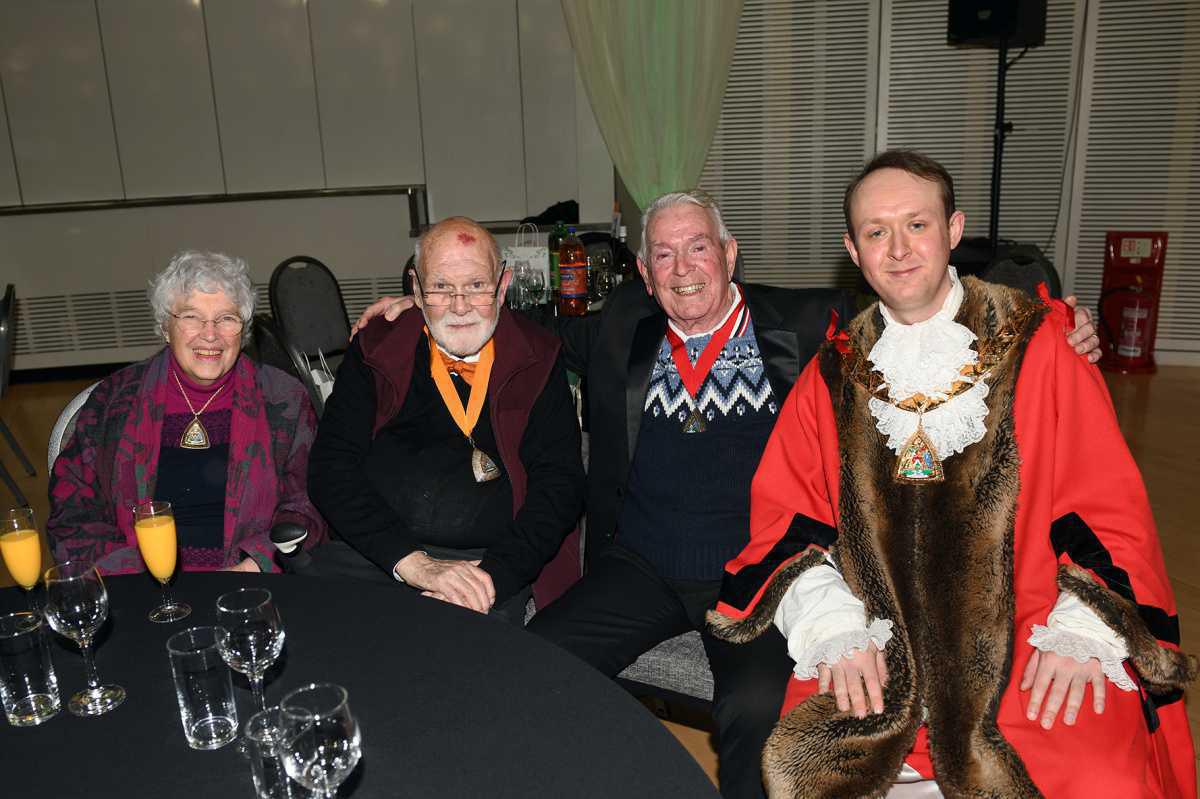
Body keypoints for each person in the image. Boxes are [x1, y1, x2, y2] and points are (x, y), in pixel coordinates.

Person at [353, 192, 1101, 798]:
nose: (683, 269)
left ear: (730, 253)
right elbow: (501, 317)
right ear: (645, 274)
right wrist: (411, 306)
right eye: (665, 255)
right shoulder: (623, 327)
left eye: (698, 246)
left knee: (753, 710)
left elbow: (923, 291)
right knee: (535, 660)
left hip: (756, 574)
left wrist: (1050, 319)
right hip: (637, 568)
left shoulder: (805, 322)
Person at [707, 150, 1195, 797]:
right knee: (817, 769)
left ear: (954, 230)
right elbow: (787, 520)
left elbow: (1110, 509)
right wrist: (837, 628)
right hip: (887, 644)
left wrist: (1080, 629)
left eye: (917, 224)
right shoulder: (834, 373)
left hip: (1028, 633)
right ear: (853, 250)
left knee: (1099, 772)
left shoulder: (1040, 346)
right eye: (877, 231)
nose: (899, 248)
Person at [307, 217, 585, 625]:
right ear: (416, 290)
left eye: (476, 286)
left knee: (460, 673)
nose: (459, 306)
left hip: (486, 565)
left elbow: (559, 488)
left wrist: (493, 576)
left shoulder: (538, 357)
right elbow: (330, 468)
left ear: (503, 286)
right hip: (379, 555)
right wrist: (413, 563)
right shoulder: (378, 348)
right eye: (440, 287)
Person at [48, 250, 326, 574]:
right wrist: (137, 577)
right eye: (191, 317)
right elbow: (71, 511)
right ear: (166, 326)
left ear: (244, 330)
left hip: (248, 583)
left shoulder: (284, 399)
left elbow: (309, 502)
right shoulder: (113, 400)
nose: (210, 334)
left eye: (227, 318)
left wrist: (257, 564)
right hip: (141, 590)